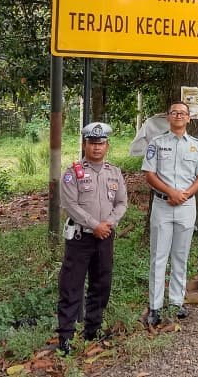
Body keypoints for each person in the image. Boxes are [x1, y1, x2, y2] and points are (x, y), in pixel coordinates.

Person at [56, 122, 128, 355]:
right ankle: (65, 337)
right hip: (81, 237)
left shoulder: (114, 172)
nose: (97, 148)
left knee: (101, 283)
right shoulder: (72, 173)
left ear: (107, 145)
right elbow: (70, 205)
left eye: (101, 143)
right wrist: (94, 224)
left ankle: (92, 330)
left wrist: (108, 224)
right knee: (71, 285)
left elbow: (121, 203)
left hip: (105, 236)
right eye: (92, 143)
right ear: (85, 144)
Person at [141, 101, 198, 327]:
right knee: (159, 256)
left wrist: (186, 193)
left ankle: (176, 301)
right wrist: (170, 191)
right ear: (168, 117)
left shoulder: (197, 145)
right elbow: (149, 174)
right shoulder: (157, 143)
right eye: (174, 112)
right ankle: (155, 306)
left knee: (180, 255)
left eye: (183, 113)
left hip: (186, 206)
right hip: (162, 205)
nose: (179, 116)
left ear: (189, 118)